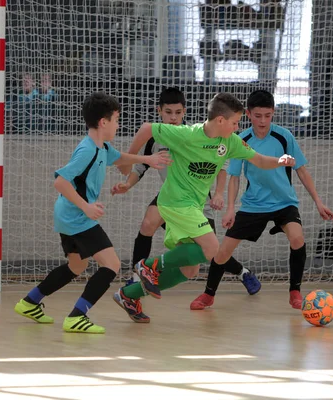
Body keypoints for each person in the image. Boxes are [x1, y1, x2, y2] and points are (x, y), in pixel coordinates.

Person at [112, 93, 295, 323]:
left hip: (194, 206)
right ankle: (147, 265)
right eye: (235, 122)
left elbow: (257, 159)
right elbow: (147, 128)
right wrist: (129, 159)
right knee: (212, 248)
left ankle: (128, 296)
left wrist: (279, 161)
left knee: (190, 270)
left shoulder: (230, 141)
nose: (238, 126)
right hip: (175, 202)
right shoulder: (187, 134)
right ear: (220, 120)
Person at [13, 92, 170, 334]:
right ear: (103, 122)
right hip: (77, 217)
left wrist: (146, 158)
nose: (119, 124)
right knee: (112, 264)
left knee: (76, 266)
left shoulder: (101, 147)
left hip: (67, 216)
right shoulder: (87, 150)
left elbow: (117, 157)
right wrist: (86, 206)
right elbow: (61, 181)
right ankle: (77, 316)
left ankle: (30, 302)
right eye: (117, 119)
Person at [190, 90, 333, 311]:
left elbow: (302, 171)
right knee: (222, 251)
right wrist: (230, 209)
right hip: (253, 205)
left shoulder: (284, 136)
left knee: (297, 238)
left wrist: (318, 202)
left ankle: (295, 290)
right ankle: (209, 294)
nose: (263, 121)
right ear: (248, 114)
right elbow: (235, 177)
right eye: (258, 116)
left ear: (273, 113)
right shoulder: (240, 139)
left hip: (284, 203)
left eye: (267, 116)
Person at [111, 87, 244, 287]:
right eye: (168, 112)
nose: (173, 117)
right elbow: (140, 167)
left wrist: (218, 193)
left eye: (178, 113)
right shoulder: (156, 138)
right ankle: (138, 276)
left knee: (201, 255)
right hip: (171, 197)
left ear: (184, 112)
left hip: (195, 201)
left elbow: (222, 165)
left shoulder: (193, 135)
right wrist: (127, 184)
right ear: (159, 111)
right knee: (148, 224)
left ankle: (242, 271)